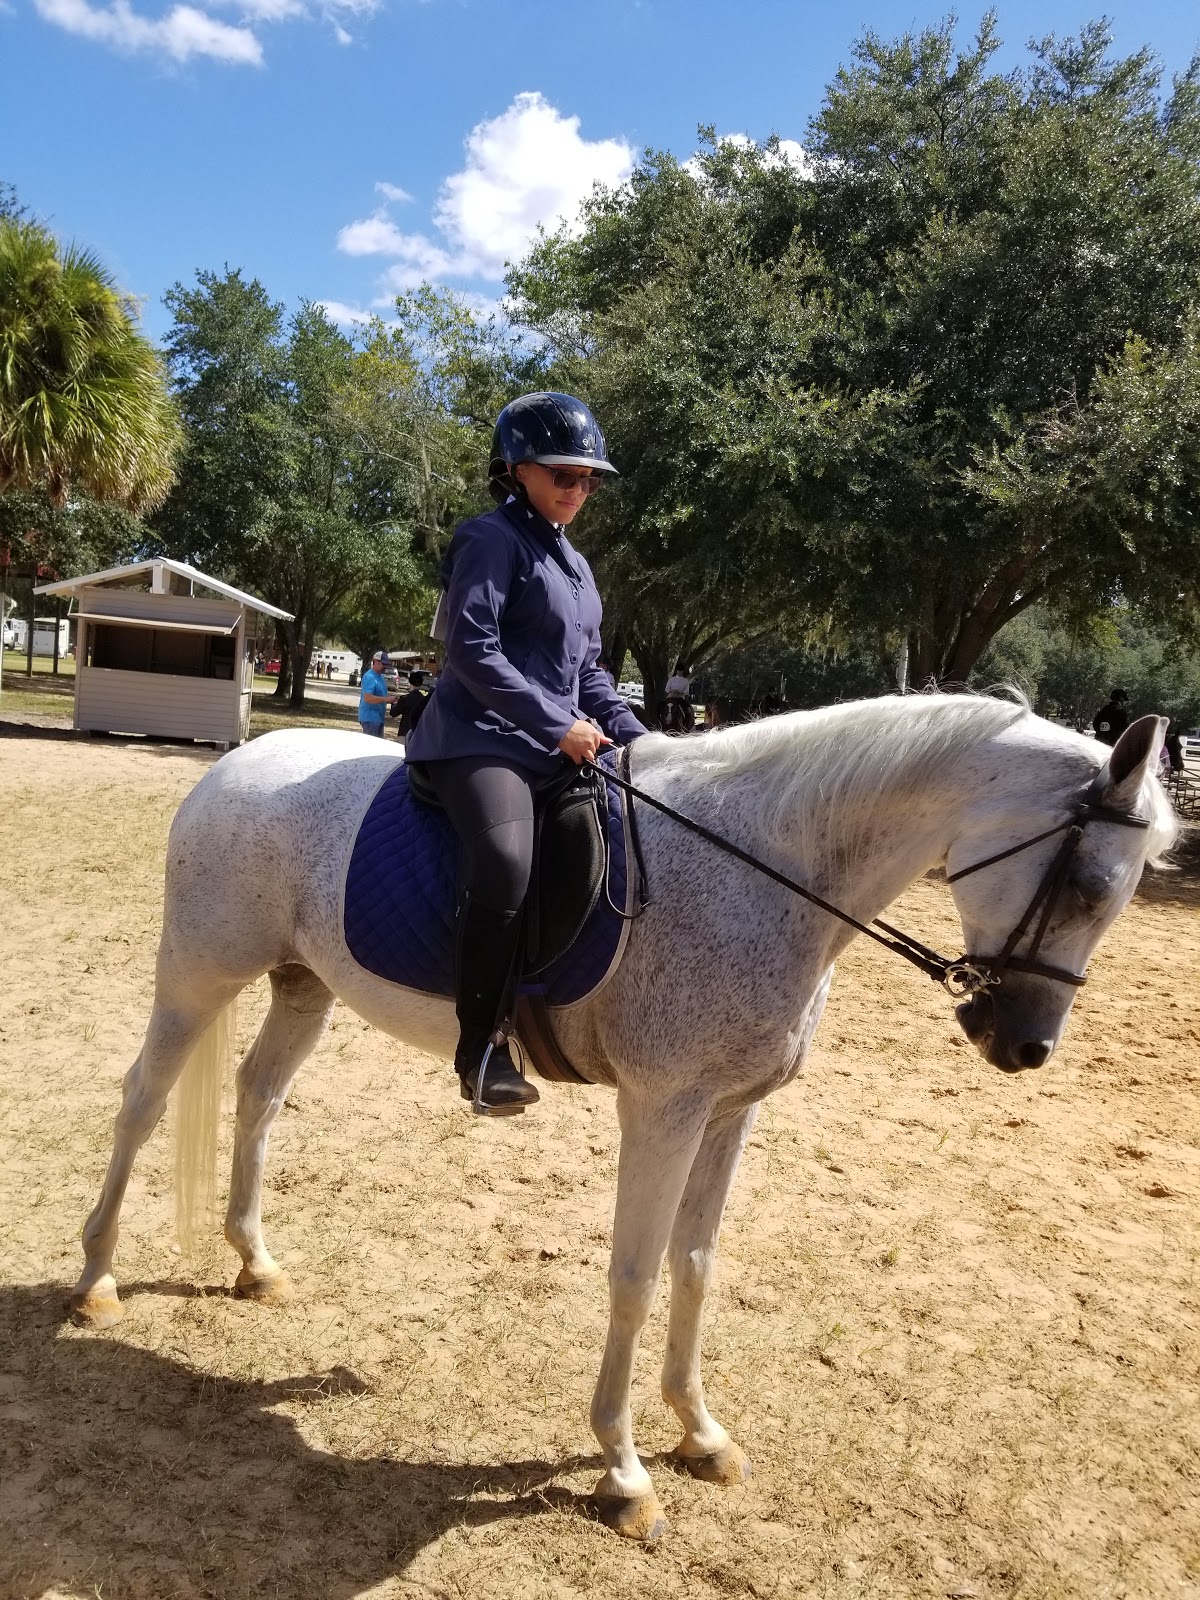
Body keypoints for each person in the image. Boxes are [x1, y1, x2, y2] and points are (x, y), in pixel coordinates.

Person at [406, 391, 646, 1112]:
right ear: (516, 469)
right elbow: (472, 652)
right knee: (507, 859)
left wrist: (641, 742)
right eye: (564, 474)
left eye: (589, 479)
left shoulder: (574, 564)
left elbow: (589, 675)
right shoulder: (489, 539)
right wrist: (556, 725)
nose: (579, 489)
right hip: (476, 742)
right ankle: (480, 1051)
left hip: (551, 746)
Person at [358, 650, 395, 735]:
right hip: (370, 718)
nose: (385, 666)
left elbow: (381, 695)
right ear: (376, 662)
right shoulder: (370, 677)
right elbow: (367, 698)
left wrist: (389, 699)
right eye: (383, 664)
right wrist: (385, 699)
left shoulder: (380, 677)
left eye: (386, 664)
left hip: (378, 718)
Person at [391, 669, 431, 744]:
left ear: (410, 682)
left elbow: (393, 713)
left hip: (404, 732)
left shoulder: (405, 698)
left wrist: (393, 703)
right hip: (418, 733)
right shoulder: (424, 700)